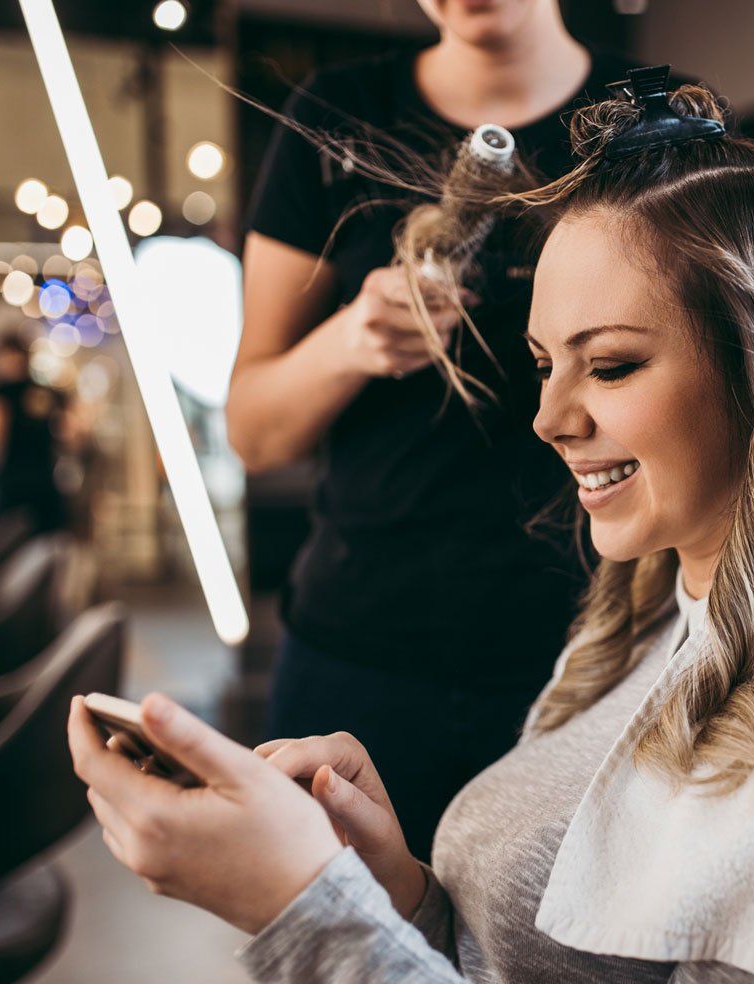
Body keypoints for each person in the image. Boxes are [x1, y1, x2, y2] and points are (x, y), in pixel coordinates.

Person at [68, 76, 754, 984]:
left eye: (614, 364)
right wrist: (389, 885)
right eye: (546, 364)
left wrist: (304, 911)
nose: (549, 419)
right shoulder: (657, 616)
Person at [231, 0, 662, 862]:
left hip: (599, 655)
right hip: (363, 652)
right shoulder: (333, 119)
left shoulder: (657, 122)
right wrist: (349, 343)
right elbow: (254, 430)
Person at [0, 333, 68, 533]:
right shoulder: (46, 392)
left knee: (7, 538)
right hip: (44, 476)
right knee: (46, 537)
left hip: (13, 478)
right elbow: (65, 433)